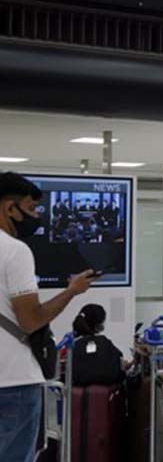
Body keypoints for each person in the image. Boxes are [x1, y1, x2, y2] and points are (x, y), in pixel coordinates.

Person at [0, 173, 94, 462]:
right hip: (13, 382)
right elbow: (30, 320)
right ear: (9, 208)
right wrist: (71, 291)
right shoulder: (15, 251)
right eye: (31, 207)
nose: (36, 215)